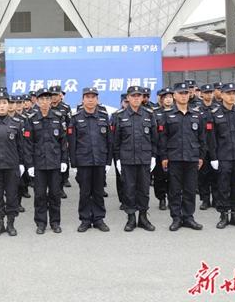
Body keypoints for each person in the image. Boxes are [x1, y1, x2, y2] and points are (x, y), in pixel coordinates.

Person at [159, 82, 206, 232]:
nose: (184, 96)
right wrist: (164, 157)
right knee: (174, 190)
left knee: (190, 189)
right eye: (180, 93)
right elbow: (163, 138)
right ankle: (176, 218)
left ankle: (188, 217)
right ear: (174, 96)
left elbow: (202, 138)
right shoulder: (167, 115)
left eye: (186, 93)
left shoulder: (197, 115)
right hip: (174, 158)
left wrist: (201, 157)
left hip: (192, 157)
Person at [112, 85, 158, 232]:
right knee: (129, 189)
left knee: (144, 190)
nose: (137, 98)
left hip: (144, 159)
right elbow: (116, 141)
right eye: (133, 96)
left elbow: (154, 139)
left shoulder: (149, 114)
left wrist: (154, 157)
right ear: (128, 98)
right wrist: (117, 159)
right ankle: (131, 218)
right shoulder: (120, 116)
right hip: (127, 159)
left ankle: (143, 218)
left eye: (139, 95)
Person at [207, 83, 235, 229]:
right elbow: (211, 139)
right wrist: (213, 157)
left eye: (234, 93)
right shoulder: (215, 113)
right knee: (223, 187)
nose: (232, 96)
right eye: (228, 93)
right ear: (222, 95)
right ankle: (223, 215)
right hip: (223, 157)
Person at [0, 91, 27, 237]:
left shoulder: (17, 123)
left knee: (12, 196)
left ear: (9, 105)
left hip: (11, 166)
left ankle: (11, 223)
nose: (2, 106)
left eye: (4, 103)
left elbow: (21, 146)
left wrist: (21, 163)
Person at [68, 87, 112, 232]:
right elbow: (72, 142)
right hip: (83, 161)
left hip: (99, 160)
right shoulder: (76, 118)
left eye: (93, 97)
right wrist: (73, 163)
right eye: (88, 97)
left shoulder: (104, 117)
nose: (91, 99)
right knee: (85, 192)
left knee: (98, 191)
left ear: (97, 100)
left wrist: (108, 161)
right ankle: (85, 219)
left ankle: (99, 218)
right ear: (83, 99)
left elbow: (109, 141)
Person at [26, 88, 68, 234]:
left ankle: (55, 222)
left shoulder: (58, 117)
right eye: (41, 99)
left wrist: (64, 160)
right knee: (40, 195)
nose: (44, 102)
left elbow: (63, 141)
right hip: (38, 165)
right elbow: (28, 144)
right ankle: (41, 223)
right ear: (36, 101)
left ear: (51, 101)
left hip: (55, 163)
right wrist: (29, 164)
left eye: (47, 99)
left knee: (55, 194)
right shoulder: (31, 118)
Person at [197, 83, 218, 211]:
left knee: (216, 174)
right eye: (206, 92)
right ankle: (205, 199)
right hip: (202, 147)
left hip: (216, 147)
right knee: (203, 175)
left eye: (211, 92)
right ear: (202, 94)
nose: (209, 94)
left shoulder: (218, 108)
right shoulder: (197, 110)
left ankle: (216, 198)